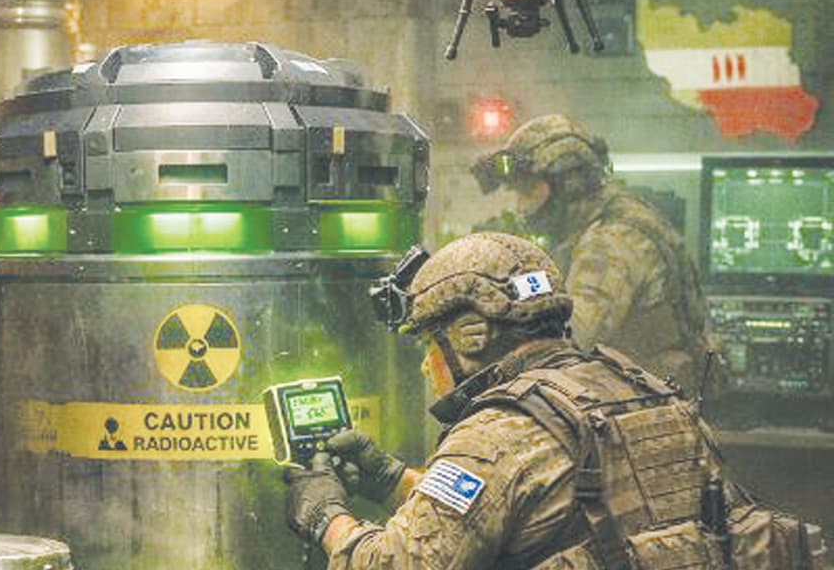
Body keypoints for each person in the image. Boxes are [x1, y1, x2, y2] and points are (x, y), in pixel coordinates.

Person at [283, 232, 817, 570]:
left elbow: (399, 564)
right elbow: (550, 512)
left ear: (470, 336)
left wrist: (326, 516)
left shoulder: (495, 434)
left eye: (429, 344)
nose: (426, 365)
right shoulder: (644, 392)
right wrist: (392, 480)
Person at [469, 114, 712, 393]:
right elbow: (553, 291)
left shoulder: (611, 239)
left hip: (648, 404)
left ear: (568, 185)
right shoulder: (593, 226)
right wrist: (510, 287)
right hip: (636, 394)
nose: (520, 208)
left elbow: (570, 340)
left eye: (528, 191)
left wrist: (495, 330)